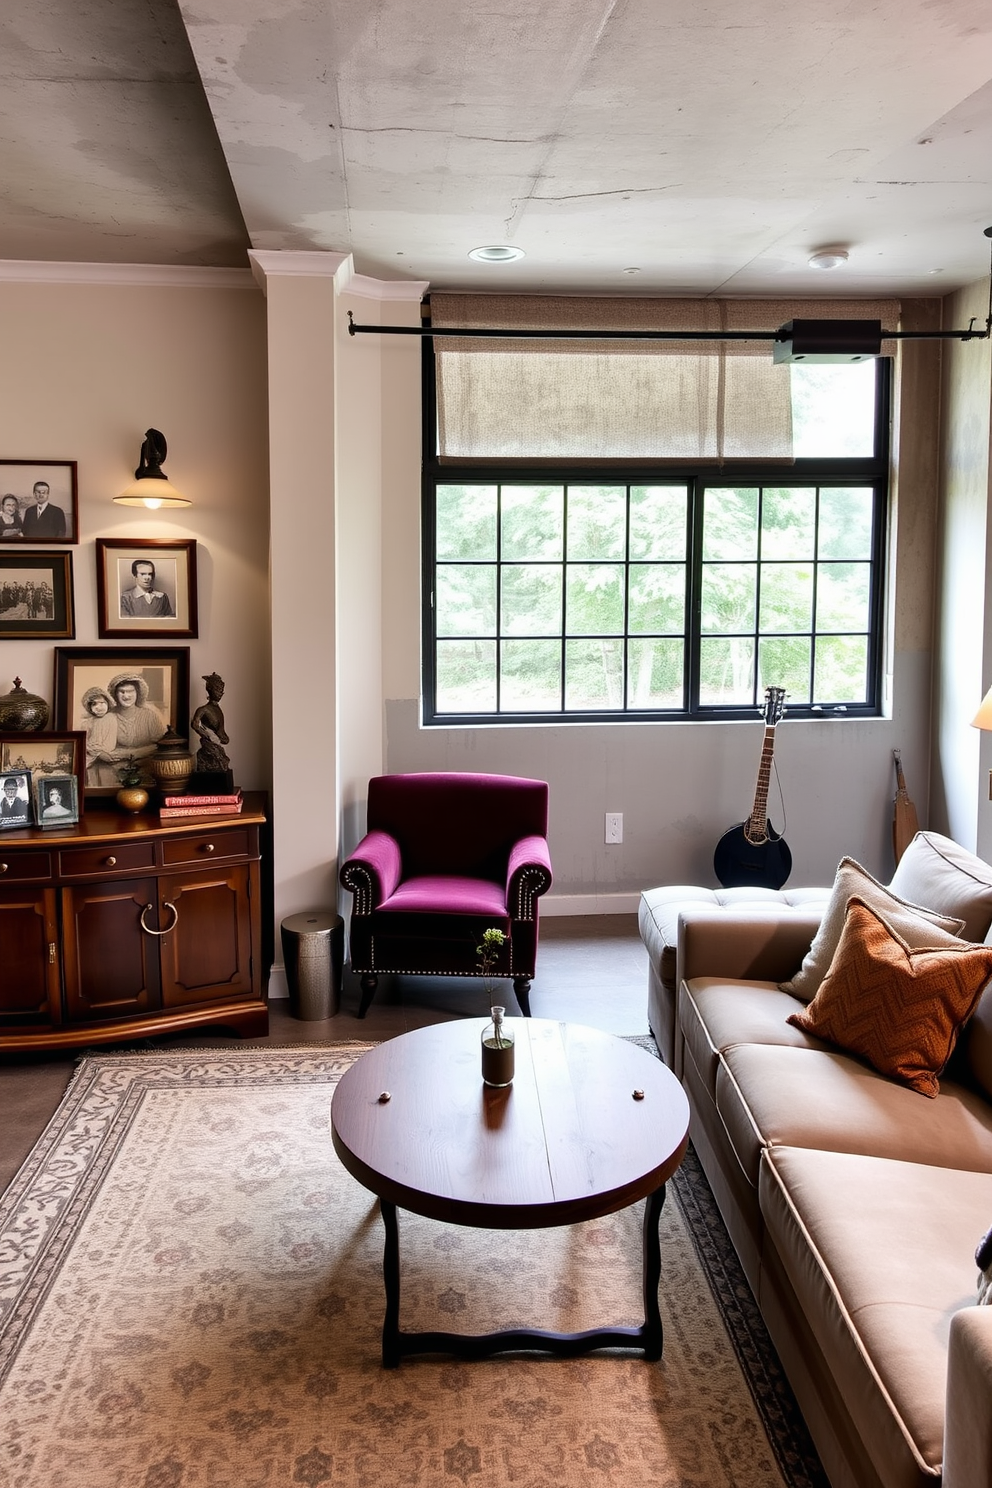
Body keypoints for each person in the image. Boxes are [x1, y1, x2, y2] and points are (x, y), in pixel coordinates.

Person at [106, 671, 167, 763]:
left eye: (130, 691)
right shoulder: (108, 716)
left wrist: (134, 753)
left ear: (137, 693)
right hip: (116, 763)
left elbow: (161, 744)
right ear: (115, 694)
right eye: (121, 692)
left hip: (145, 763)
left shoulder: (149, 715)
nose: (126, 696)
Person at [191, 672, 231, 772]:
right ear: (209, 689)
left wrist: (222, 737)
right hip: (209, 745)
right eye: (217, 689)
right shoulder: (203, 709)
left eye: (221, 690)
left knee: (222, 761)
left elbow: (221, 732)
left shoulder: (218, 710)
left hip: (216, 743)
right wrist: (208, 734)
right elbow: (195, 724)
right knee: (219, 760)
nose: (220, 693)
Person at [81, 685, 120, 787]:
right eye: (94, 704)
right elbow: (85, 742)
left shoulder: (112, 718)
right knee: (91, 781)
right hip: (91, 758)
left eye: (102, 703)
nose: (99, 707)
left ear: (108, 703)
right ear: (90, 707)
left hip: (108, 756)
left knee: (107, 779)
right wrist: (98, 752)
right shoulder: (87, 723)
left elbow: (111, 740)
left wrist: (104, 753)